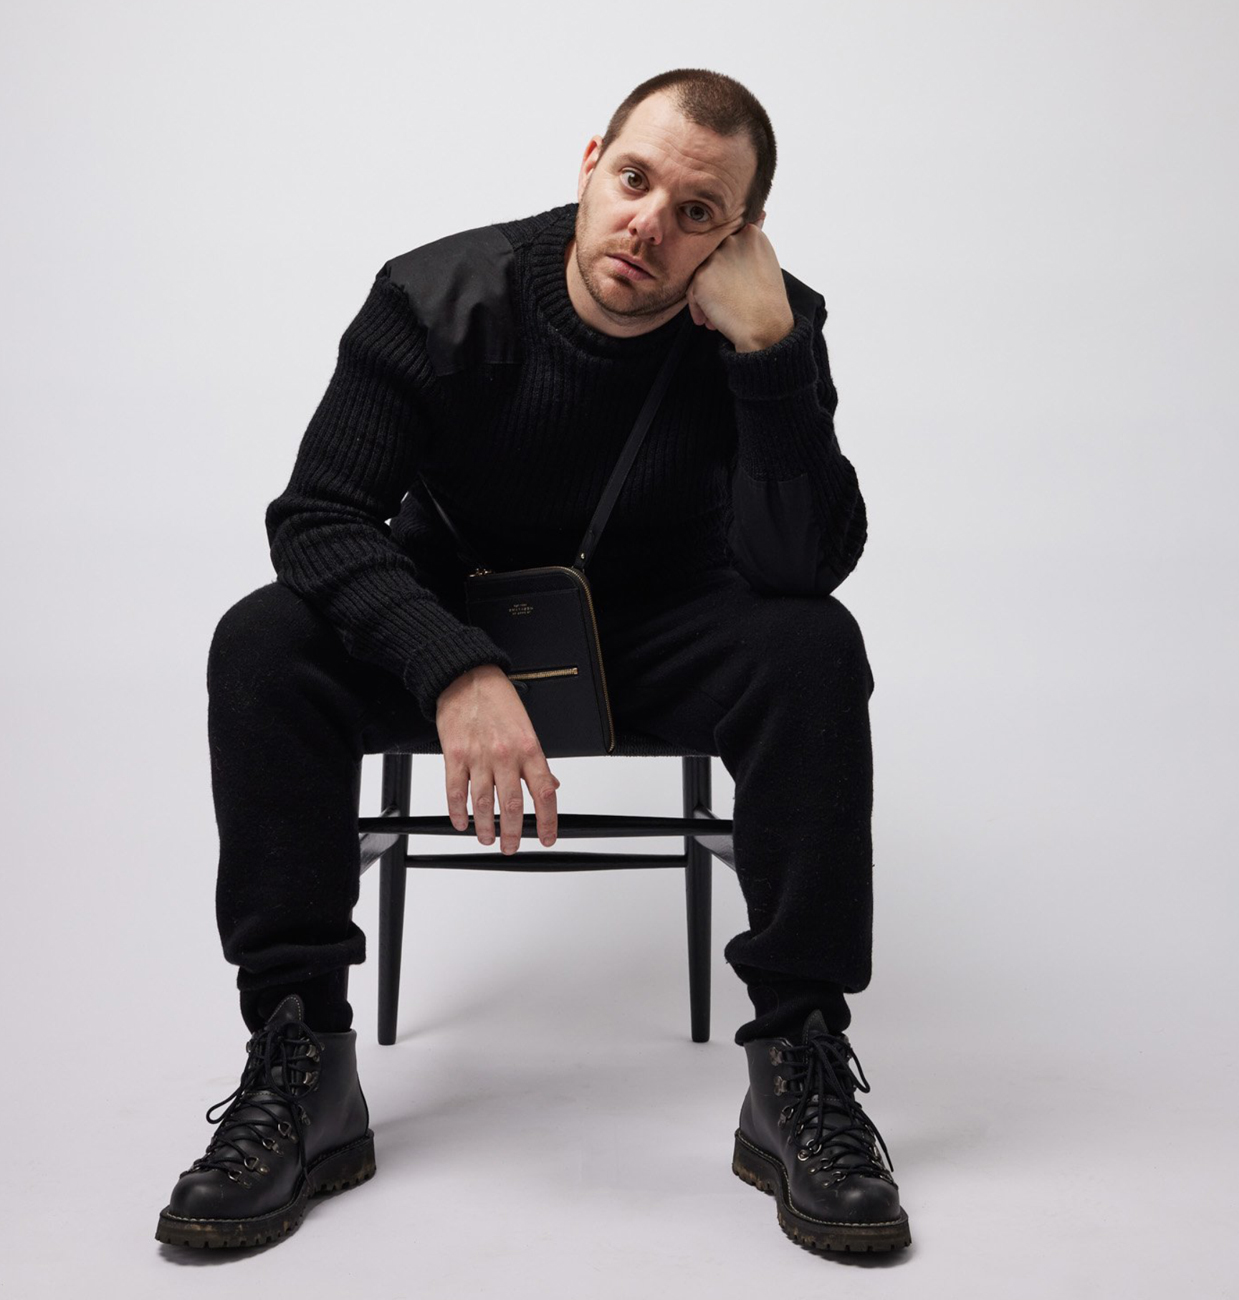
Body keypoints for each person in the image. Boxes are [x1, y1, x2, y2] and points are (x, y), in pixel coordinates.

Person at [156, 67, 911, 1256]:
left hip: (658, 629)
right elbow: (319, 517)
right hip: (449, 611)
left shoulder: (764, 323)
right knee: (264, 639)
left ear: (740, 234)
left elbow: (802, 564)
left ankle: (798, 1065)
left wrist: (768, 353)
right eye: (633, 179)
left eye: (698, 213)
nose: (649, 225)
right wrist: (453, 667)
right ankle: (301, 1057)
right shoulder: (441, 295)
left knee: (811, 647)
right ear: (589, 162)